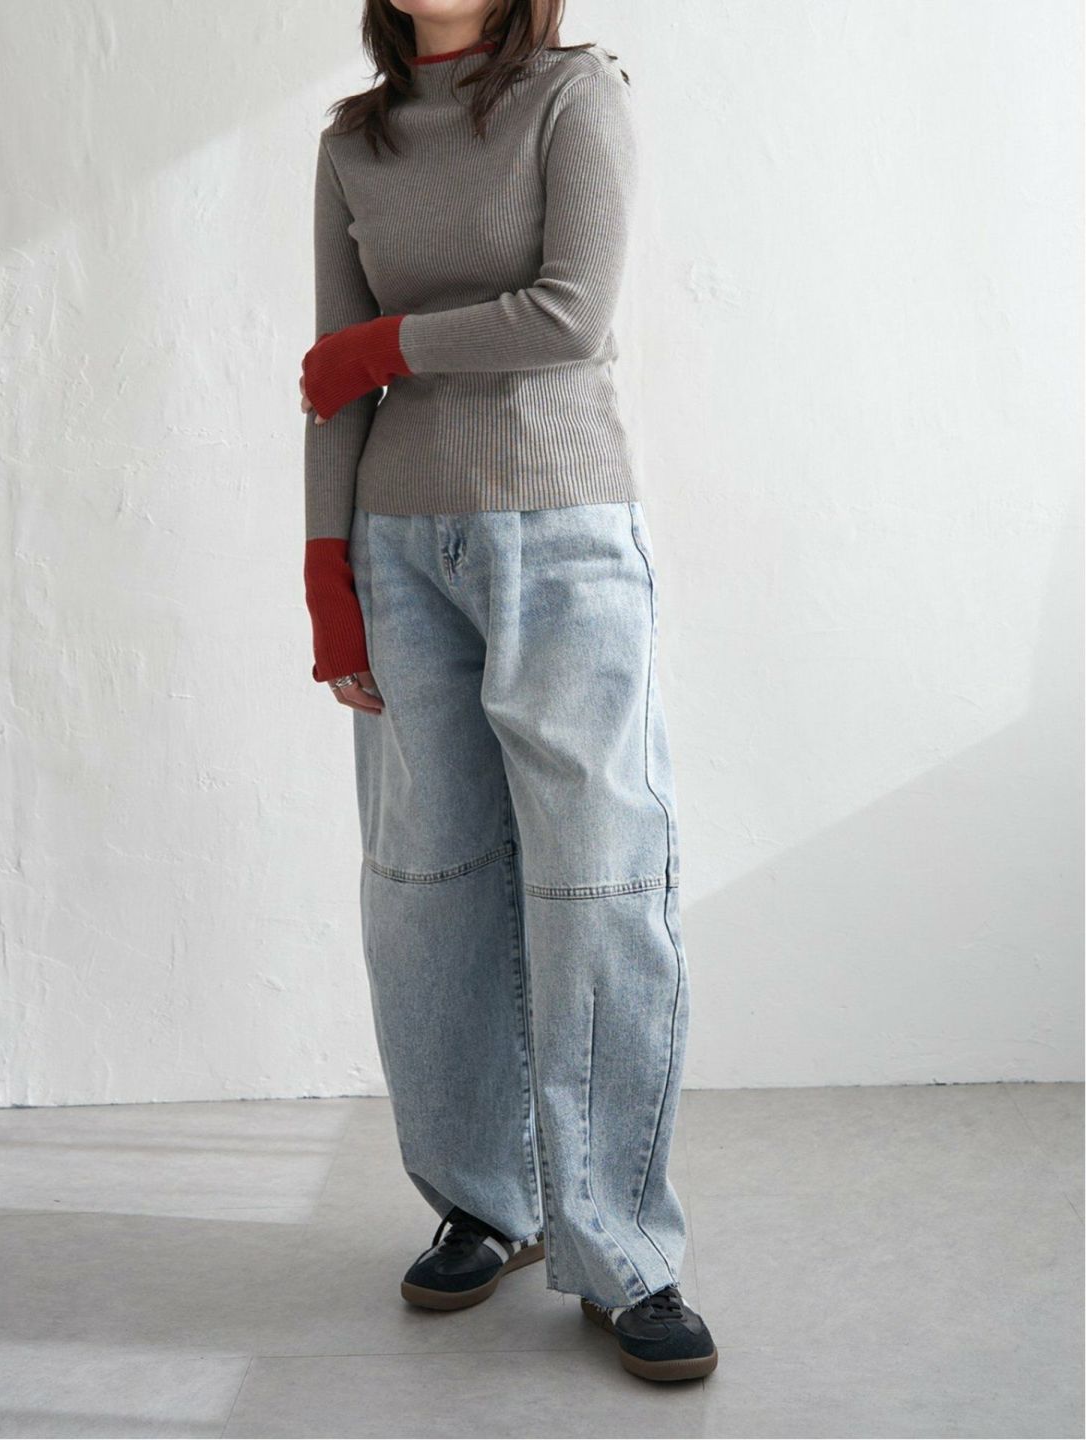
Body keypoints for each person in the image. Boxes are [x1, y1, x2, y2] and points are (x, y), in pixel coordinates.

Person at [297, 0, 718, 1383]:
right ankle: (486, 1200)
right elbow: (327, 382)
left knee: (598, 877)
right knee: (425, 884)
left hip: (563, 529)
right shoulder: (354, 142)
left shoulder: (571, 95)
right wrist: (325, 571)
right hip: (397, 547)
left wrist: (388, 349)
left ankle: (624, 1250)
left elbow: (569, 315)